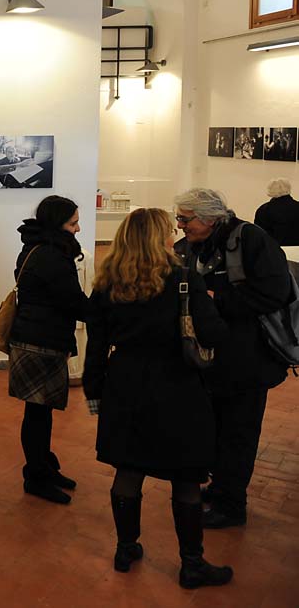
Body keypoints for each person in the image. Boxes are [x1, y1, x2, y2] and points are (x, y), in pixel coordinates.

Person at [84, 207, 234, 588]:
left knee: (129, 469)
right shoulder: (183, 279)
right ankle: (192, 563)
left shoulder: (107, 282)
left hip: (126, 383)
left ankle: (126, 547)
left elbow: (97, 343)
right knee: (185, 477)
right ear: (159, 238)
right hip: (177, 385)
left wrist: (94, 389)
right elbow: (214, 334)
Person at [174, 188, 290, 528]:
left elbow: (274, 293)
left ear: (209, 218)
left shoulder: (252, 240)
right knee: (218, 427)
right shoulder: (199, 243)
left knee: (239, 432)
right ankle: (222, 487)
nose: (180, 225)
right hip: (215, 360)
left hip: (247, 361)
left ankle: (232, 505)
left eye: (185, 218)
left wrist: (214, 297)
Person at [7, 195, 91, 504]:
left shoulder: (36, 247)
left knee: (40, 412)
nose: (78, 228)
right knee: (37, 413)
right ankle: (36, 474)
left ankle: (42, 467)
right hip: (40, 342)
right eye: (73, 223)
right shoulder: (52, 256)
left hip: (36, 338)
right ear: (58, 224)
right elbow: (72, 301)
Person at [253, 178, 299, 246]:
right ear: (289, 189)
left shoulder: (264, 210)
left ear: (270, 190)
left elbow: (259, 235)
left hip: (274, 251)